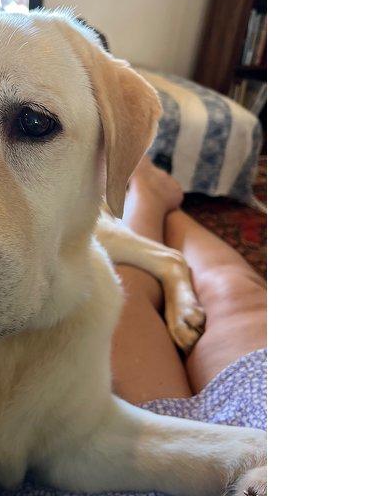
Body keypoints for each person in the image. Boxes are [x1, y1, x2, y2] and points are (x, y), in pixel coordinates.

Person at [111, 157, 267, 429]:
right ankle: (155, 196)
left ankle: (149, 193)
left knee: (122, 293)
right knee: (231, 289)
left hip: (157, 454)